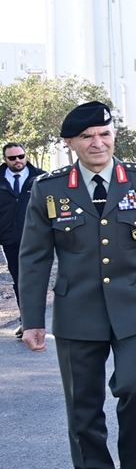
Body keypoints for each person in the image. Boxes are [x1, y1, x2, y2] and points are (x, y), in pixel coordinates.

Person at [19, 101, 136, 469]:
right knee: (83, 405)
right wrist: (32, 320)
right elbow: (34, 258)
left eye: (104, 134)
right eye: (87, 136)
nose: (98, 143)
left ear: (114, 137)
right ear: (71, 143)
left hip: (135, 307)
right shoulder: (49, 189)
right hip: (76, 312)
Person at [0, 142, 44, 338]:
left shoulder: (41, 178)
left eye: (21, 156)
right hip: (11, 240)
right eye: (12, 158)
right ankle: (27, 321)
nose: (18, 160)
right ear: (5, 159)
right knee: (20, 279)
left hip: (39, 238)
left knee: (38, 278)